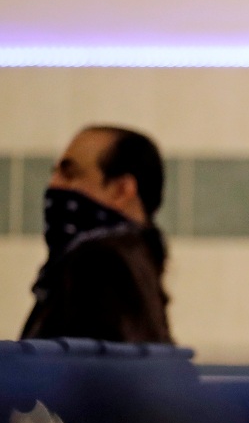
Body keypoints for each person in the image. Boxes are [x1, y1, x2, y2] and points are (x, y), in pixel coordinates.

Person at [21, 125, 173, 343]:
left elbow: (81, 372)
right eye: (54, 173)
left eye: (69, 173)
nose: (53, 184)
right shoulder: (138, 260)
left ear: (121, 190)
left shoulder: (100, 263)